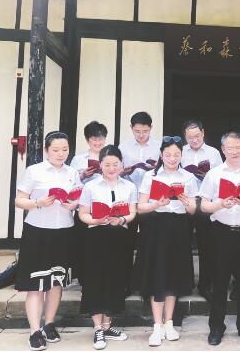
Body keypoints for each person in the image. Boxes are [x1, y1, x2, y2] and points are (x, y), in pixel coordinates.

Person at [15, 131, 81, 351]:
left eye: (65, 149)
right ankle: (34, 331)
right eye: (56, 150)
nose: (61, 154)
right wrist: (38, 203)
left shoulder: (73, 172)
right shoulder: (34, 171)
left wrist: (73, 204)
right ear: (46, 150)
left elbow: (78, 198)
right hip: (37, 231)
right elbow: (19, 200)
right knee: (36, 283)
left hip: (64, 231)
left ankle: (49, 324)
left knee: (56, 281)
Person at [199, 132, 240, 346]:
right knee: (219, 282)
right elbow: (204, 205)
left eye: (238, 147)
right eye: (230, 147)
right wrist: (221, 204)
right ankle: (216, 327)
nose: (235, 151)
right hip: (221, 233)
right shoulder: (214, 174)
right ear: (223, 149)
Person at [135, 136, 198, 346]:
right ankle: (157, 325)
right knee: (158, 275)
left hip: (178, 228)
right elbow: (140, 207)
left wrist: (187, 202)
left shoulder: (188, 177)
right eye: (168, 154)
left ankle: (169, 322)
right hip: (156, 227)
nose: (172, 158)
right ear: (161, 155)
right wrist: (156, 204)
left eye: (176, 154)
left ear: (182, 155)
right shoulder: (151, 176)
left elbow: (193, 210)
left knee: (173, 275)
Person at [77, 145, 137, 350]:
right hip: (96, 236)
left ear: (122, 165)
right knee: (96, 279)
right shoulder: (91, 186)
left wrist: (121, 219)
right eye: (107, 164)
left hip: (119, 236)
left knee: (115, 278)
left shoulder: (129, 187)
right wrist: (96, 220)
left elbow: (132, 213)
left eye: (115, 164)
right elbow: (82, 213)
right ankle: (98, 328)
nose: (112, 168)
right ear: (100, 165)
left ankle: (108, 325)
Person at [118, 111, 161, 295]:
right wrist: (123, 171)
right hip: (129, 197)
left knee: (149, 242)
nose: (141, 135)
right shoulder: (123, 147)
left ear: (151, 128)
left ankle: (146, 282)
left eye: (145, 131)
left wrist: (157, 168)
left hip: (150, 201)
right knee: (126, 243)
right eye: (137, 131)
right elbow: (115, 171)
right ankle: (126, 283)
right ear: (131, 128)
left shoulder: (159, 146)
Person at [180, 119, 222, 302]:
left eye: (197, 136)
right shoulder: (180, 152)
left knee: (207, 245)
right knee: (182, 244)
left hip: (206, 202)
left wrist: (207, 176)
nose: (194, 140)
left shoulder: (213, 153)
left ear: (203, 133)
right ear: (185, 136)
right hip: (186, 202)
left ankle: (206, 285)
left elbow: (221, 177)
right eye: (190, 137)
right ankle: (184, 283)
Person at [70, 121, 108, 285]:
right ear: (87, 140)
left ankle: (102, 276)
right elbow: (71, 182)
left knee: (102, 244)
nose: (98, 142)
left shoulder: (110, 156)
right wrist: (83, 175)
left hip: (106, 205)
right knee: (84, 243)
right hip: (85, 206)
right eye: (94, 139)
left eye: (101, 138)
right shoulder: (78, 159)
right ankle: (83, 278)